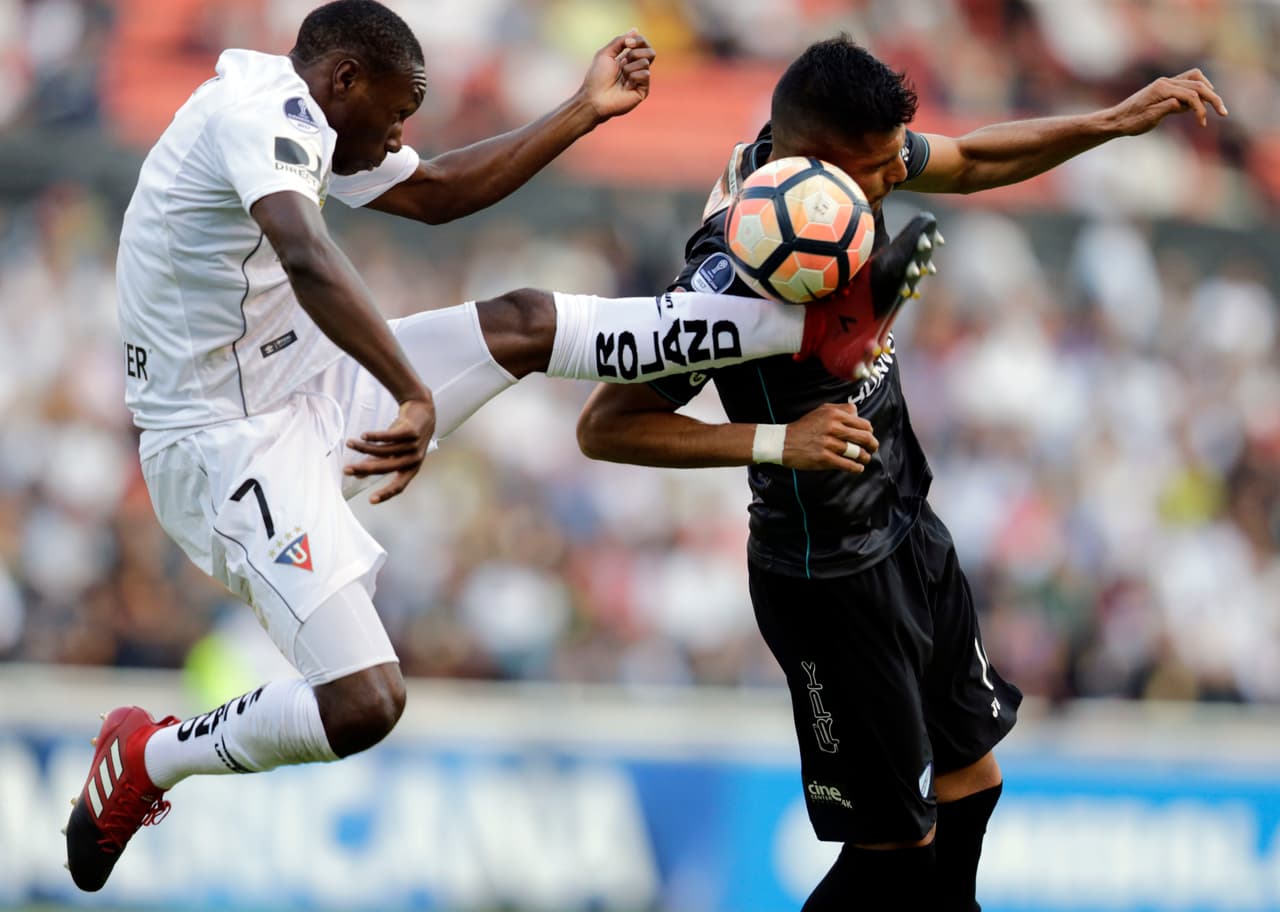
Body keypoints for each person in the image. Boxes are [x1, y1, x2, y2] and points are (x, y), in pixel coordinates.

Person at [66, 2, 935, 892]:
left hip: (300, 380)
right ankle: (152, 756)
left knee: (521, 321)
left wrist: (583, 110)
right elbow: (307, 256)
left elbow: (439, 194)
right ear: (345, 82)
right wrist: (411, 389)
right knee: (366, 702)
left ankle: (803, 330)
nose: (402, 134)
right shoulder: (264, 115)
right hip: (222, 447)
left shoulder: (308, 115)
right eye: (398, 114)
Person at [575, 36, 1228, 911]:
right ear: (818, 158)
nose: (895, 181)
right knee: (893, 855)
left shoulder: (832, 173)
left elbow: (974, 157)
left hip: (906, 522)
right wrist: (779, 440)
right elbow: (607, 425)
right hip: (826, 571)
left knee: (973, 785)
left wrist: (1111, 122)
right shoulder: (728, 276)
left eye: (892, 164)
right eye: (879, 170)